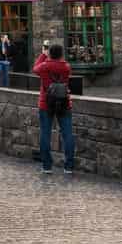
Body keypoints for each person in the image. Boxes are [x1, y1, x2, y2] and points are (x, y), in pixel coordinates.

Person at [33, 42, 74, 174]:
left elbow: (35, 69)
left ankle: (47, 166)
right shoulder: (66, 67)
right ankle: (68, 166)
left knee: (45, 134)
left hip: (46, 103)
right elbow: (62, 65)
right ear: (62, 54)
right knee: (67, 134)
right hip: (64, 103)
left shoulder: (45, 66)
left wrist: (43, 55)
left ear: (50, 53)